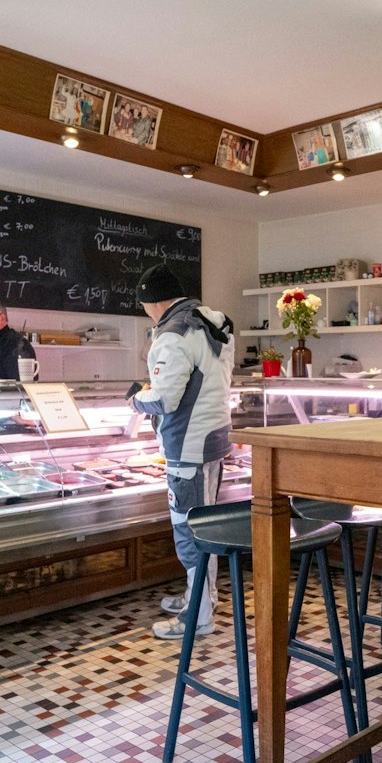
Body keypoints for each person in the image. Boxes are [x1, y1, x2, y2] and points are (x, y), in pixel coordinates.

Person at [128, 262, 236, 640]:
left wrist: (136, 399)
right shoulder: (211, 320)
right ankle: (203, 596)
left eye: (144, 305)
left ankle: (199, 616)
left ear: (153, 303)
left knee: (188, 532)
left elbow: (164, 399)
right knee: (204, 525)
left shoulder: (172, 335)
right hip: (214, 437)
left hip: (187, 446)